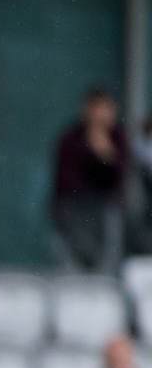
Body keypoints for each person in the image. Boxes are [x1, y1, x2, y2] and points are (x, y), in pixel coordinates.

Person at [50, 86, 127, 274]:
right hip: (74, 213)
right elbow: (67, 183)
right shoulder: (71, 139)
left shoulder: (118, 139)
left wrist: (105, 155)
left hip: (105, 215)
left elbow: (119, 179)